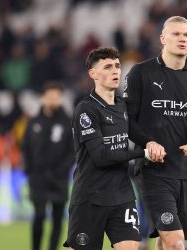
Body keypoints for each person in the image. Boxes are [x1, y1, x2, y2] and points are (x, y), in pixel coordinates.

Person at [124, 16, 187, 250]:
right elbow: (127, 120)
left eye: (186, 35)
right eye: (176, 34)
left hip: (185, 172)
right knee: (176, 243)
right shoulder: (141, 73)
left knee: (168, 242)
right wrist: (148, 143)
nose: (182, 39)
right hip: (152, 170)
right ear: (163, 39)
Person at [64, 47, 150, 250]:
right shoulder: (86, 110)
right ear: (93, 74)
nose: (115, 71)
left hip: (122, 196)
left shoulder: (123, 106)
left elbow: (138, 133)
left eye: (117, 66)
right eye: (108, 67)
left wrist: (151, 143)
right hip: (90, 199)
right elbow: (101, 156)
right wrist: (142, 153)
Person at [22, 82, 75, 250]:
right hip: (38, 178)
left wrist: (62, 170)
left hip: (58, 179)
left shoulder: (67, 122)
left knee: (58, 217)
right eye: (50, 97)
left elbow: (73, 151)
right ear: (42, 98)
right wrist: (29, 169)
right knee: (38, 215)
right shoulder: (34, 121)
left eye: (56, 97)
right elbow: (25, 146)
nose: (53, 100)